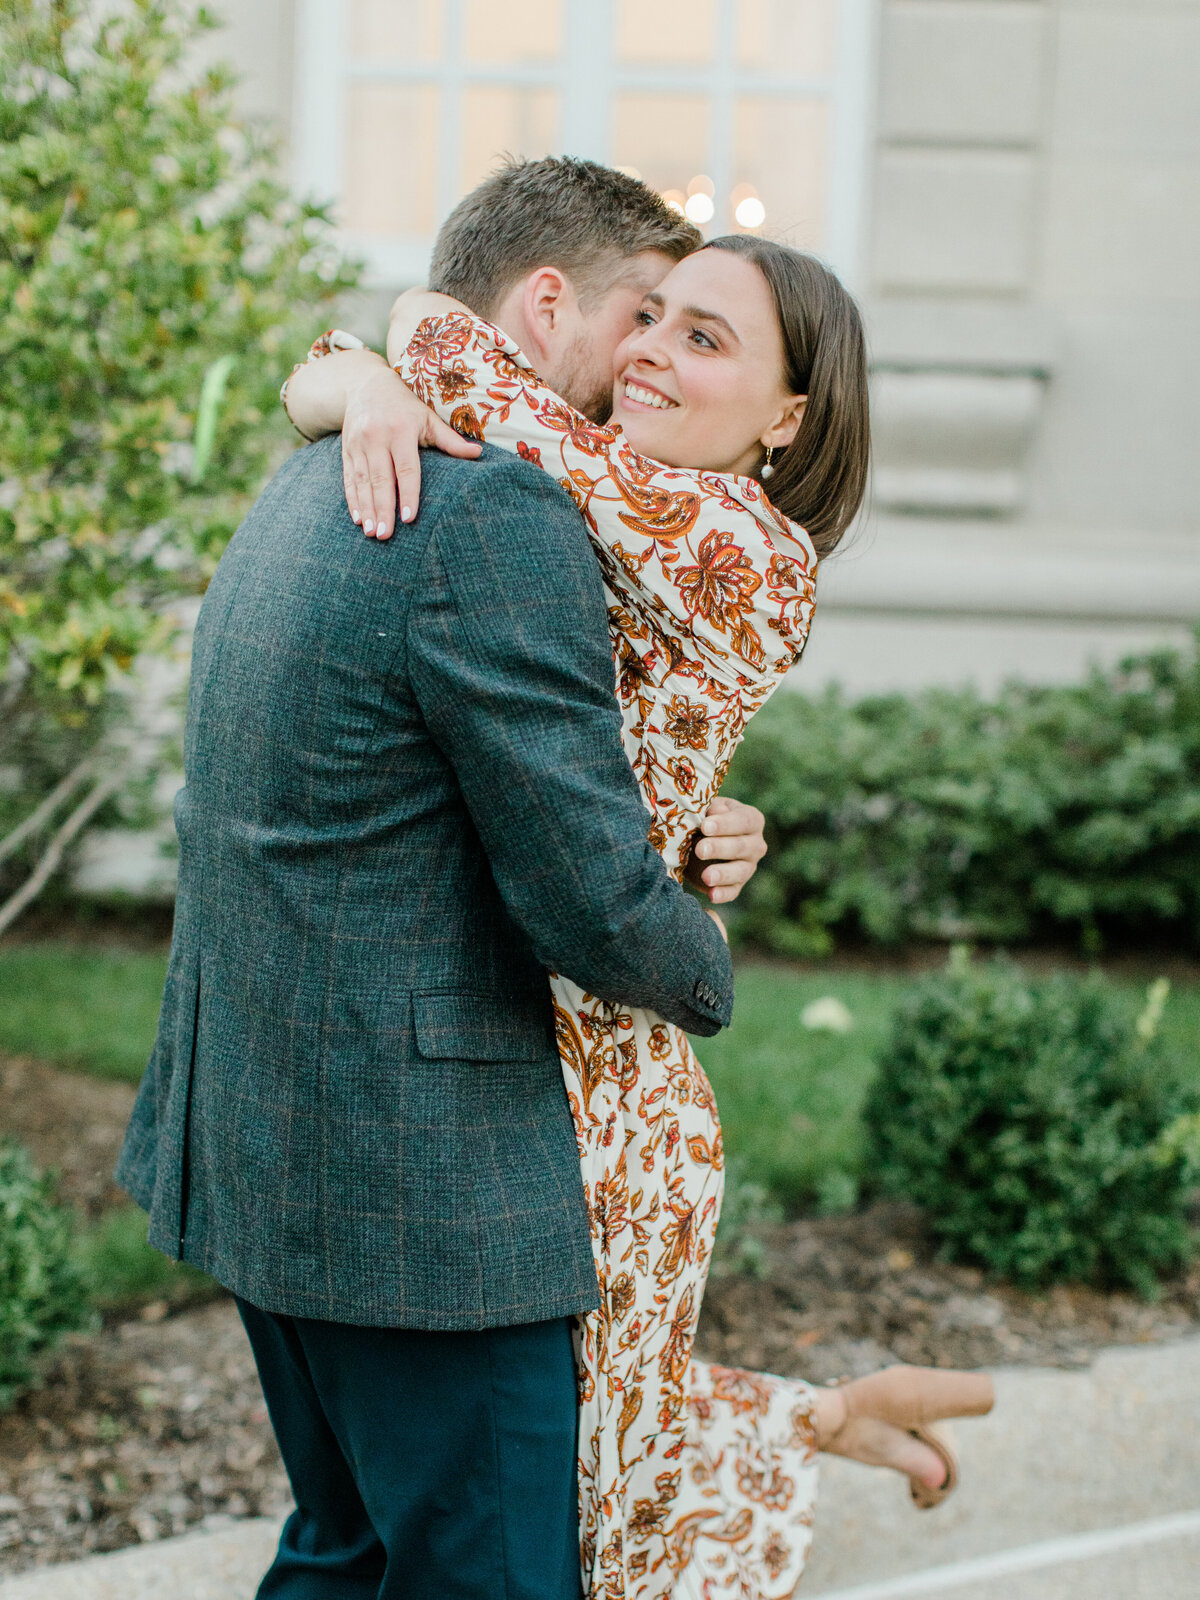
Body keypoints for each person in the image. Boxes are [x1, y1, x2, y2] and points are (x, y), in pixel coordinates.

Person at [283, 158, 995, 1600]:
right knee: (554, 1467)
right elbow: (380, 393)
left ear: (788, 421)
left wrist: (405, 330)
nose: (656, 353)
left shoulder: (749, 551)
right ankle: (824, 1422)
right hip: (521, 1045)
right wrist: (356, 387)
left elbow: (479, 390)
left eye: (708, 339)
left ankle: (806, 1436)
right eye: (656, 315)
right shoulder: (600, 506)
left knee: (570, 1508)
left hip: (615, 1090)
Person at [116, 157, 780, 1600]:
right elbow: (591, 903)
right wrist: (706, 965)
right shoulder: (492, 515)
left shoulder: (324, 467)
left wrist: (698, 818)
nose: (646, 364)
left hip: (266, 1146)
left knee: (346, 1559)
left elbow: (420, 788)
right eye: (644, 317)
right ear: (550, 303)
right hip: (424, 1205)